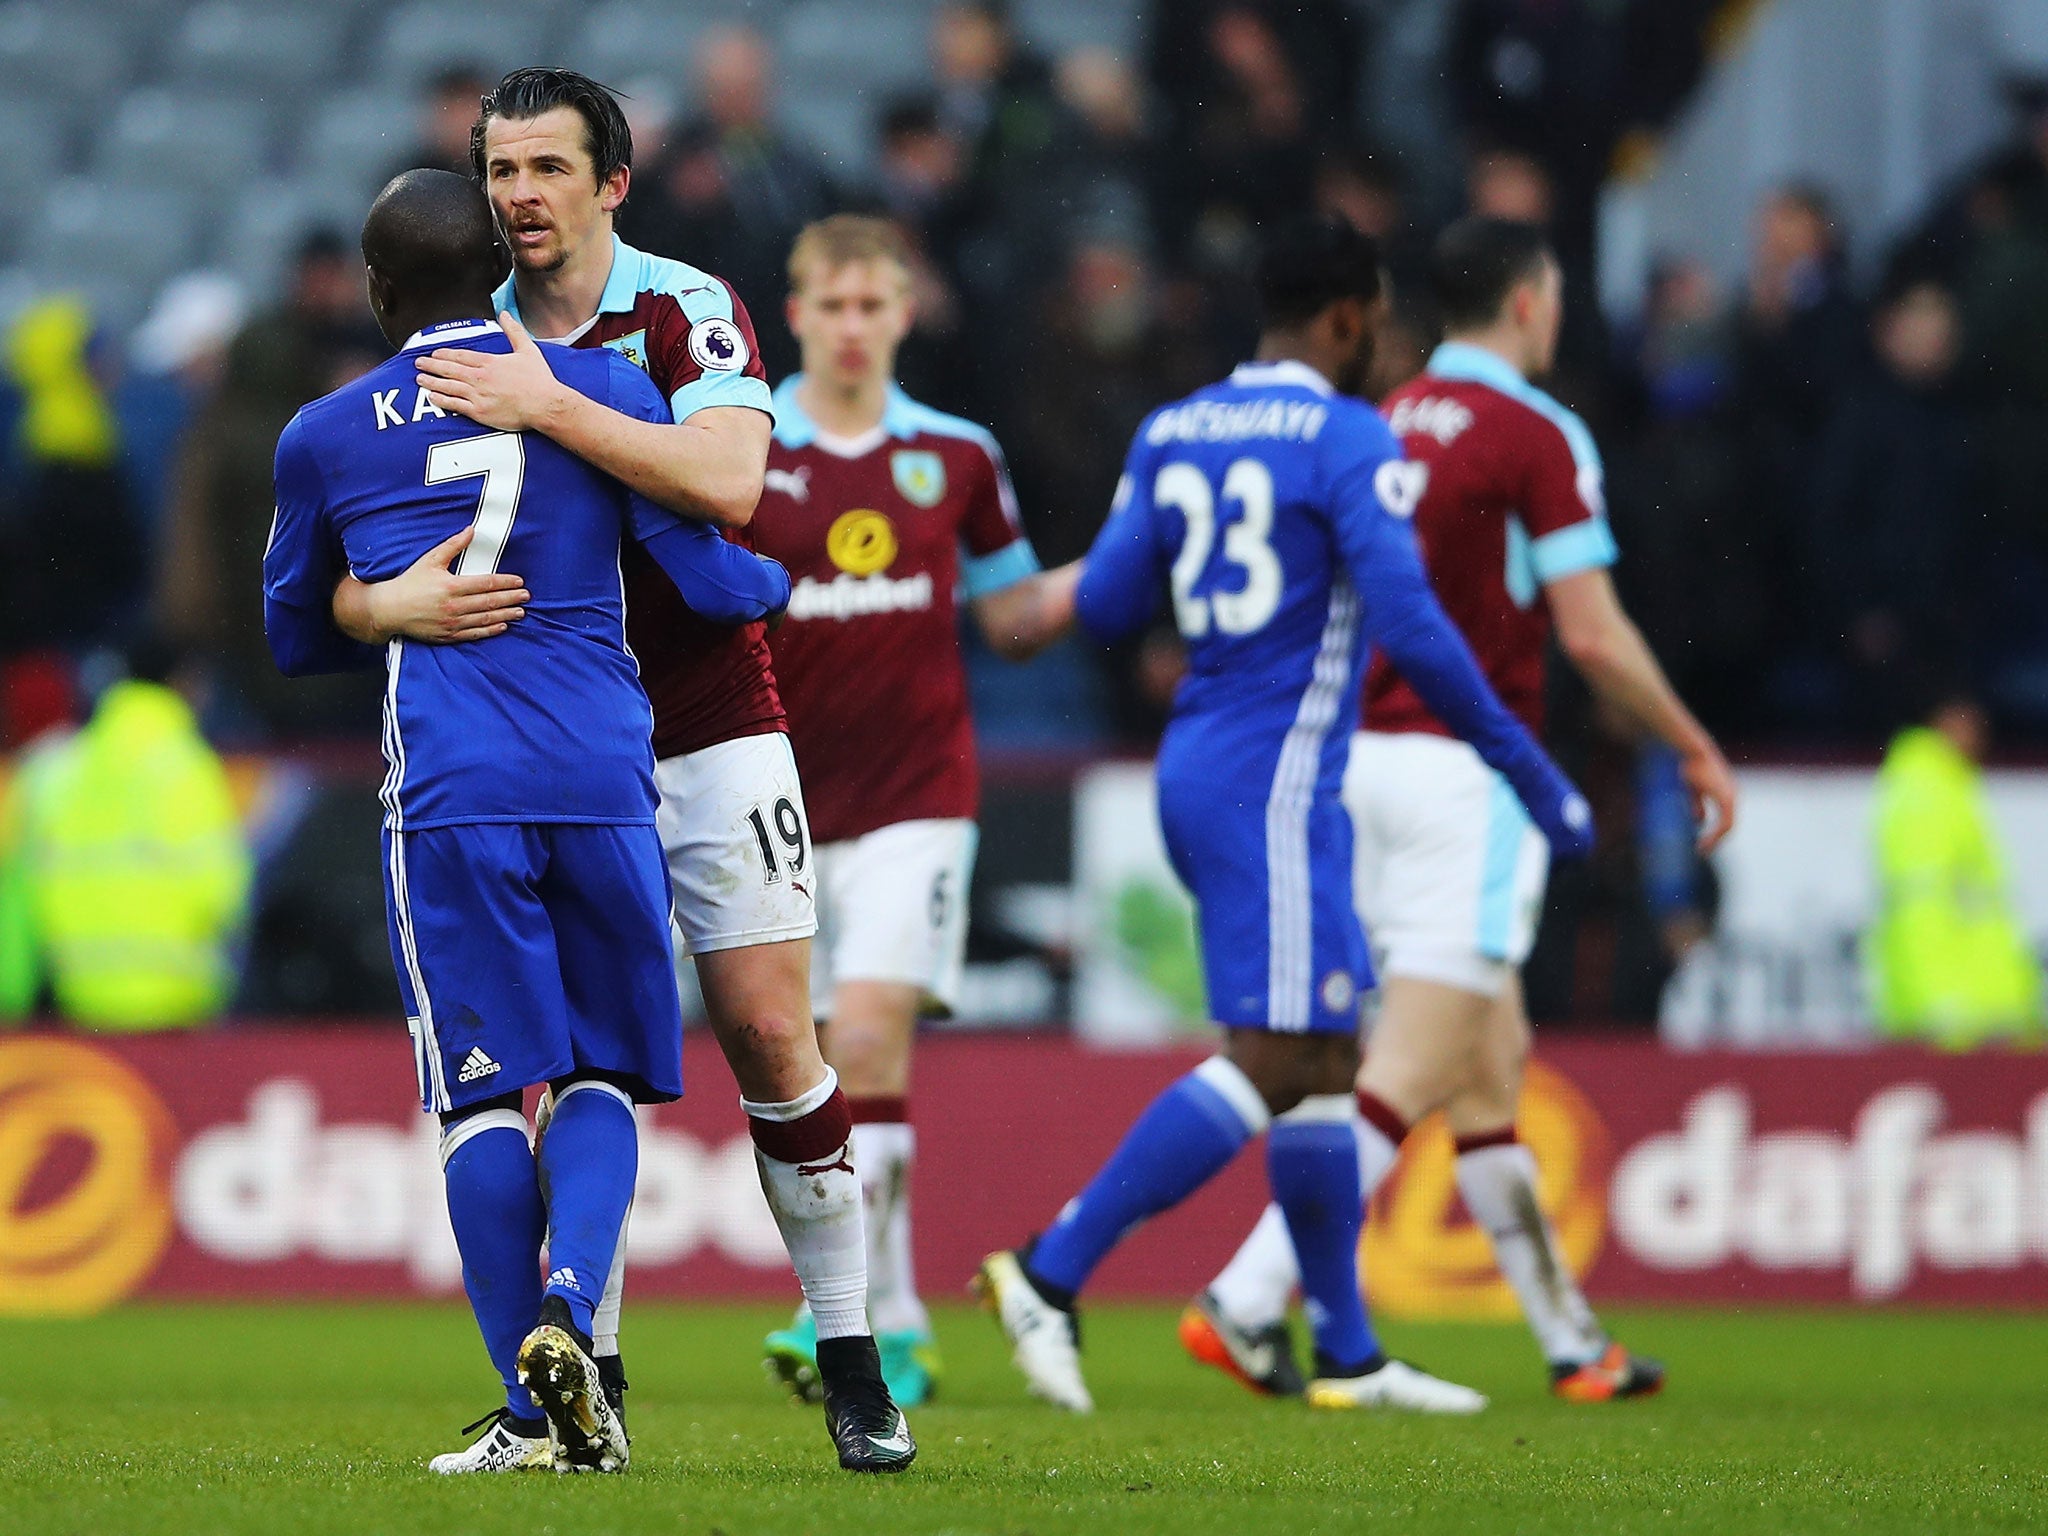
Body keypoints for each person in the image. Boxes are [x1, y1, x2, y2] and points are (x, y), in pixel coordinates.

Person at [341, 70, 913, 1473]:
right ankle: (570, 1397)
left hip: (708, 718)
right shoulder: (449, 328)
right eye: (501, 171)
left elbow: (729, 485)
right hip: (537, 738)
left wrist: (551, 406)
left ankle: (851, 1357)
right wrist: (378, 608)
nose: (521, 195)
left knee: (775, 1041)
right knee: (564, 1060)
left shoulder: (679, 309)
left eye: (548, 168)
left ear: (612, 184)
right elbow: (346, 555)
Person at [977, 218, 1594, 1415]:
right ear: (1349, 321)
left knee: (1323, 1056)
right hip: (1272, 778)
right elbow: (1413, 629)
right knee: (1273, 1054)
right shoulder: (1346, 435)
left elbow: (1105, 603)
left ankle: (1346, 1354)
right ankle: (1049, 1272)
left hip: (1203, 760)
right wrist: (1525, 765)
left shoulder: (1173, 429)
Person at [263, 169, 798, 1475]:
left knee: (484, 1100)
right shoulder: (600, 393)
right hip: (605, 771)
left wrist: (381, 606)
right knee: (610, 1070)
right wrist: (805, 581)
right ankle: (574, 1309)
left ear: (381, 290)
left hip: (454, 786)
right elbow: (710, 571)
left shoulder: (327, 431)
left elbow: (290, 628)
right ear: (498, 258)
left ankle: (530, 1406)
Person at [1189, 218, 1738, 1404]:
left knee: (1488, 1064)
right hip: (1459, 773)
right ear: (1534, 304)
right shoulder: (1535, 434)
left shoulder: (1377, 417)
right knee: (1416, 1055)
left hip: (1346, 764)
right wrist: (1689, 742)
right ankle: (1242, 1295)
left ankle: (1567, 1341)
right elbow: (1587, 630)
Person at [748, 215, 1075, 1408]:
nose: (849, 327)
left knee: (872, 1037)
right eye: (828, 305)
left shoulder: (958, 457)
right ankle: (900, 1316)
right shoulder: (742, 446)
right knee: (821, 1068)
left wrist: (1128, 551)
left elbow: (1013, 620)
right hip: (773, 801)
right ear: (794, 313)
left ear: (903, 312)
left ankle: (828, 1307)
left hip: (915, 801)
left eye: (870, 306)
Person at [0, 636, 249, 1029]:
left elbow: (23, 894)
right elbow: (224, 895)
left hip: (80, 1002)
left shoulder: (61, 769)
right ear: (184, 682)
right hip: (178, 1005)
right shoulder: (186, 767)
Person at [1870, 693, 2043, 1047]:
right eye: (1970, 721)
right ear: (1944, 720)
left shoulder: (1952, 785)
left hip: (1980, 1014)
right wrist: (1940, 1000)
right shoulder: (1926, 791)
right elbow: (1919, 908)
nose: (1980, 734)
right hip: (1954, 1017)